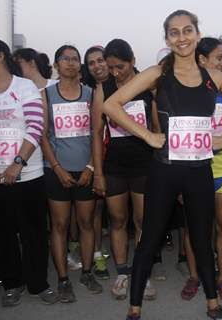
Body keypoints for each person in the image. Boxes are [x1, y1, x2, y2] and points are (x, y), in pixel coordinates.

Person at [99, 9, 222, 320]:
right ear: (168, 39)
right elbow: (110, 105)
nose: (182, 37)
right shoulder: (158, 73)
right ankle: (134, 310)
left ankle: (213, 305)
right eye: (174, 32)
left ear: (197, 35)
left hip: (200, 170)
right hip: (164, 170)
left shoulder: (213, 77)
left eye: (187, 31)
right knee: (149, 239)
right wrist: (148, 135)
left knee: (201, 239)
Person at [0, 38, 58, 307]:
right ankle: (12, 283)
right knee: (1, 233)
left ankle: (39, 283)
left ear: (0, 56)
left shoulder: (24, 87)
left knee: (34, 233)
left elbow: (35, 126)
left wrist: (18, 162)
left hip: (26, 176)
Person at [181, 37, 222, 306]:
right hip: (193, 167)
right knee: (194, 226)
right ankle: (195, 276)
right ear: (201, 60)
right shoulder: (184, 92)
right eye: (218, 58)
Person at [92, 38, 157, 300]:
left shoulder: (147, 84)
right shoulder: (103, 88)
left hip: (144, 163)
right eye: (111, 68)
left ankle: (143, 273)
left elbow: (156, 128)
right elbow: (96, 133)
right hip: (115, 165)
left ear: (132, 62)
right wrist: (98, 172)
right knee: (118, 220)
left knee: (143, 221)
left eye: (120, 67)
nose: (115, 72)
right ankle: (122, 272)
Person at [40, 45, 103, 303]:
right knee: (59, 225)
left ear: (80, 65)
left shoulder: (91, 94)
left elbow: (97, 134)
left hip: (85, 169)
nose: (71, 63)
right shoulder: (46, 94)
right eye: (65, 59)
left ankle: (87, 272)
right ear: (56, 64)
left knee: (87, 223)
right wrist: (57, 168)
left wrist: (91, 167)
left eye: (75, 59)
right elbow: (42, 134)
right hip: (57, 169)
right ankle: (63, 279)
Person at [83, 45, 111, 279]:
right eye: (91, 63)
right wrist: (94, 164)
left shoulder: (126, 84)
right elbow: (95, 132)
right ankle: (97, 253)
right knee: (96, 209)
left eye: (100, 60)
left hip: (124, 157)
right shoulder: (86, 91)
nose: (97, 66)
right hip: (96, 156)